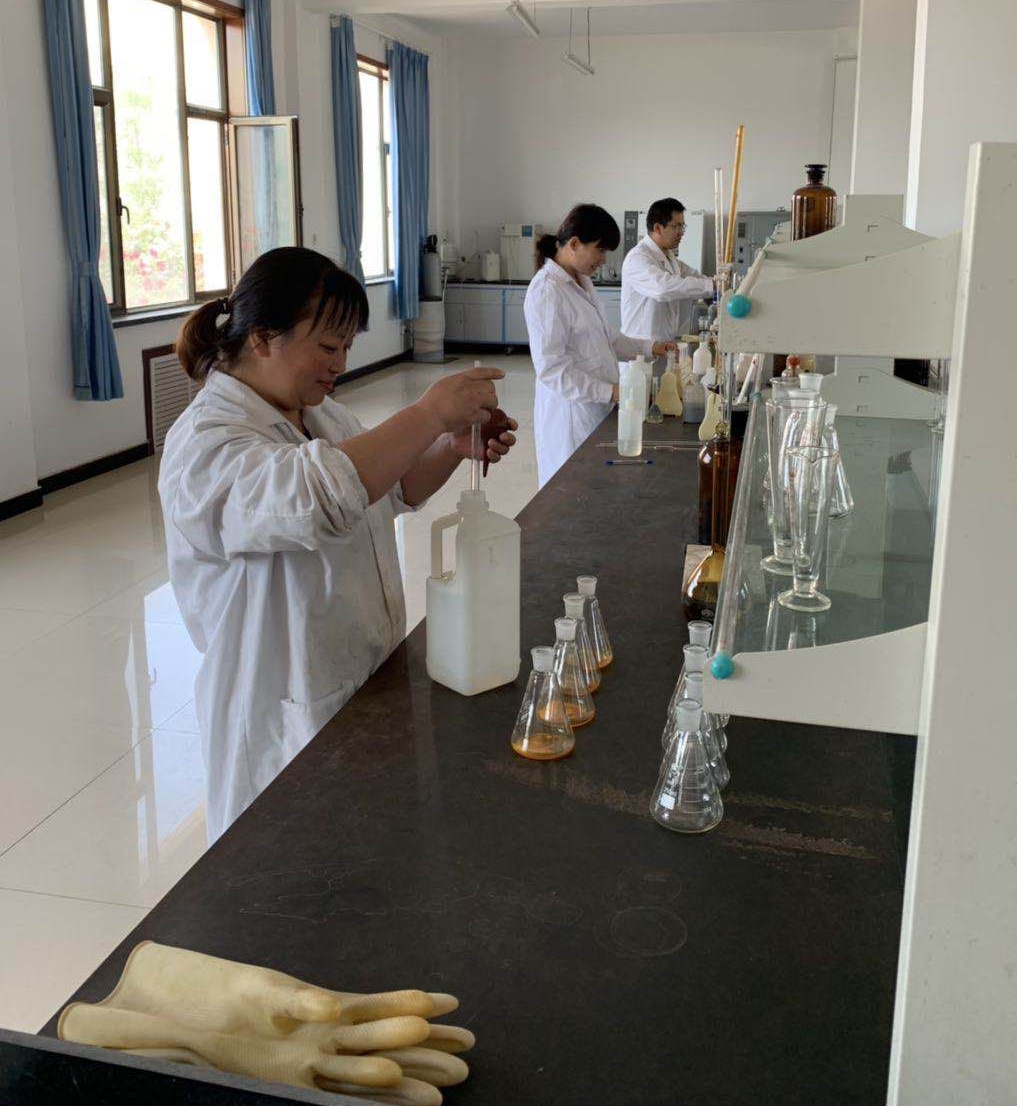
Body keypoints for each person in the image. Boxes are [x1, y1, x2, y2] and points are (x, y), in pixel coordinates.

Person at [159, 247, 516, 841]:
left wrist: (450, 447)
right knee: (290, 860)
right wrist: (428, 414)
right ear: (263, 338)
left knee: (366, 847)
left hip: (360, 675)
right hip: (282, 709)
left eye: (348, 345)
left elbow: (392, 488)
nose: (341, 364)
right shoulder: (206, 443)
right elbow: (319, 495)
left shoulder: (320, 414)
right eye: (328, 346)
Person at [524, 204, 673, 487]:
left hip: (596, 405)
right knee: (569, 488)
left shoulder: (581, 281)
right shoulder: (547, 290)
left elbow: (607, 337)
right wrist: (611, 392)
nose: (604, 260)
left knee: (593, 482)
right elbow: (552, 369)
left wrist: (650, 347)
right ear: (574, 244)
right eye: (600, 250)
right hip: (571, 414)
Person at [620, 198, 714, 344]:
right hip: (641, 348)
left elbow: (695, 276)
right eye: (676, 227)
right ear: (657, 228)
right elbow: (662, 288)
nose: (681, 233)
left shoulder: (669, 257)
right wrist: (710, 286)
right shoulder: (637, 258)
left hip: (664, 346)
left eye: (682, 227)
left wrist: (717, 283)